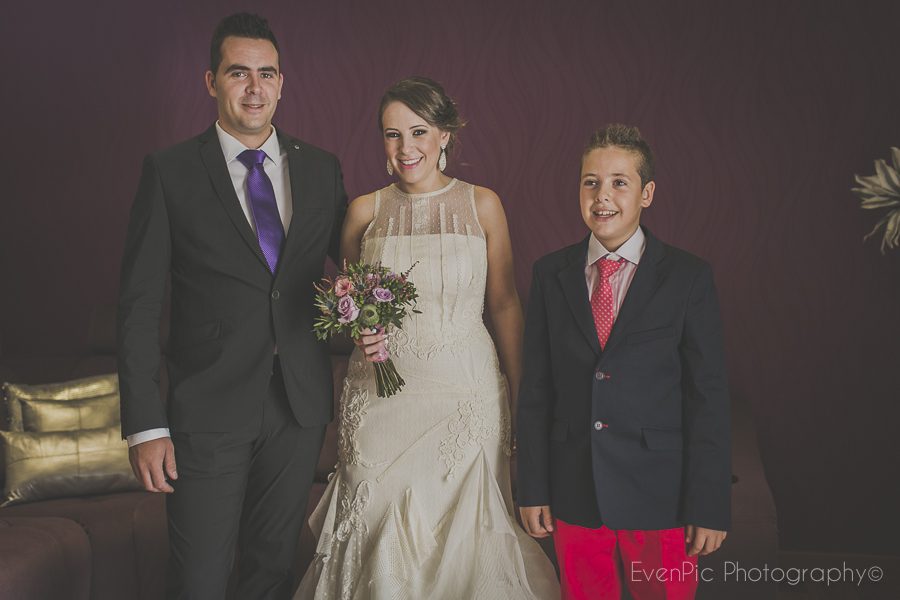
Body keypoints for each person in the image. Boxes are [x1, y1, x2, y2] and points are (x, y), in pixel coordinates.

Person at [295, 76, 558, 599]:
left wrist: (524, 395)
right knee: (378, 532)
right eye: (391, 135)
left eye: (418, 131)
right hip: (380, 401)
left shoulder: (484, 206)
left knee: (464, 546)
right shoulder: (365, 212)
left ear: (445, 135)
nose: (405, 147)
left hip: (465, 395)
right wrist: (358, 328)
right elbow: (353, 302)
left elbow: (504, 303)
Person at [117, 13, 347, 599]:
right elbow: (140, 305)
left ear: (282, 83)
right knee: (200, 581)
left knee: (271, 574)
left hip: (297, 406)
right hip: (208, 409)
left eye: (266, 73)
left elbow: (353, 273)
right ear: (210, 81)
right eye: (238, 72)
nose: (254, 87)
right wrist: (145, 424)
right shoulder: (169, 172)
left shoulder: (321, 170)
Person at [516, 124, 731, 600]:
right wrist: (532, 486)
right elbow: (536, 389)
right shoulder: (551, 274)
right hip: (575, 487)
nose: (602, 196)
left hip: (661, 492)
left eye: (619, 182)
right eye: (590, 182)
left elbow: (707, 396)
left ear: (646, 193)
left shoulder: (687, 277)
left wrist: (709, 503)